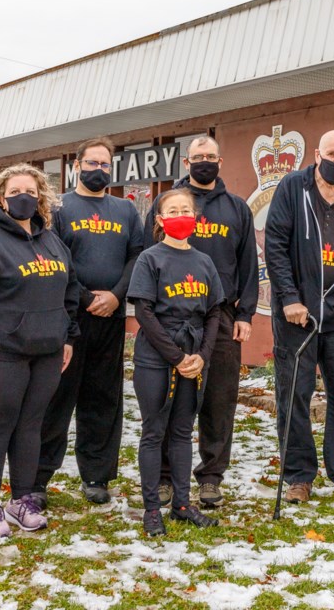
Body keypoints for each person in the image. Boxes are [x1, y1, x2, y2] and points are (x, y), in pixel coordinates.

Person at [0, 164, 80, 539]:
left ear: (40, 197)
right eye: (15, 190)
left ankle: (21, 499)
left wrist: (67, 338)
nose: (24, 196)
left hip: (47, 355)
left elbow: (70, 292)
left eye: (31, 190)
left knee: (30, 427)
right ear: (1, 199)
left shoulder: (53, 242)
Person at [143, 136, 257, 509]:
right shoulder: (167, 204)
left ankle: (210, 476)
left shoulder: (237, 208)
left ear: (220, 161)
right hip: (169, 315)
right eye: (197, 157)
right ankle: (162, 477)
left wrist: (245, 314)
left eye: (210, 157)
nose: (204, 162)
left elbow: (249, 265)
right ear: (186, 161)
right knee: (166, 401)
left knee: (219, 399)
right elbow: (148, 254)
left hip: (219, 316)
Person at [264, 129, 334, 505]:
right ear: (316, 153)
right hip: (299, 316)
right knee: (295, 395)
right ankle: (298, 475)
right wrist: (290, 299)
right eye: (331, 153)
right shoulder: (292, 189)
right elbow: (276, 245)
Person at [34, 138, 143, 507]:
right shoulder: (58, 208)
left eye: (105, 164)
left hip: (110, 317)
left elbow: (136, 257)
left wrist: (116, 296)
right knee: (56, 399)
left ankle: (96, 475)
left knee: (103, 399)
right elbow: (52, 256)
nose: (99, 170)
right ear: (76, 166)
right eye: (92, 163)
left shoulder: (126, 211)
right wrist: (84, 297)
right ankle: (38, 478)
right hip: (68, 316)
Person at [128, 189, 224, 536]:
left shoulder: (204, 261)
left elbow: (214, 311)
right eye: (173, 210)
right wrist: (176, 356)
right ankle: (152, 507)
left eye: (186, 209)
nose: (180, 214)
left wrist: (202, 355)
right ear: (160, 219)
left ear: (195, 218)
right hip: (158, 356)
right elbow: (144, 311)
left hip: (195, 353)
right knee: (155, 432)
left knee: (183, 432)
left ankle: (183, 504)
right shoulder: (150, 259)